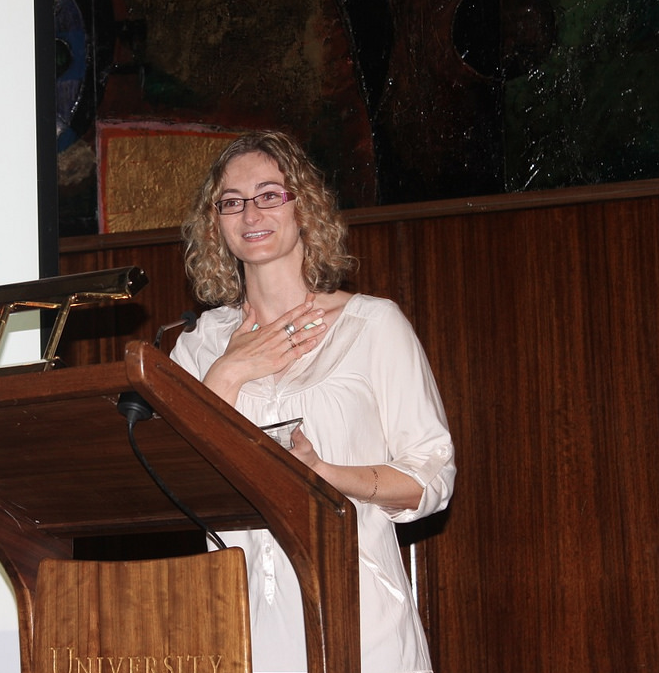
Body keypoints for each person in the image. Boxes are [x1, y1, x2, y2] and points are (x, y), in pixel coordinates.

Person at [170, 131, 456, 673]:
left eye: (269, 194)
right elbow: (176, 482)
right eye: (231, 201)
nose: (250, 212)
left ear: (304, 206)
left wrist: (323, 475)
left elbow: (430, 479)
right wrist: (228, 373)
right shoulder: (199, 346)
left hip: (360, 621)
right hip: (239, 625)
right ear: (215, 223)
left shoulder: (373, 325)